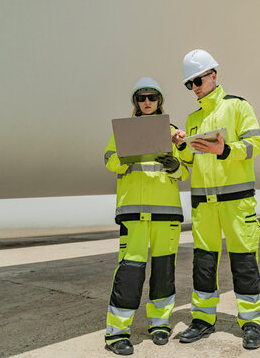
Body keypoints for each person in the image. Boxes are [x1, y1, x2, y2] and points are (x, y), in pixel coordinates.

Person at [171, 49, 260, 350]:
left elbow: (255, 144)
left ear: (213, 74)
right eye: (190, 84)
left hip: (237, 203)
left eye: (198, 80)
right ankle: (202, 320)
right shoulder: (193, 118)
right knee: (204, 264)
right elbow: (189, 164)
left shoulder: (238, 106)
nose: (195, 88)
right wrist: (182, 145)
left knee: (244, 262)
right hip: (204, 205)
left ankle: (251, 323)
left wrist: (225, 150)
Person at [103, 77, 189, 355]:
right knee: (130, 272)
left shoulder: (173, 132)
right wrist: (128, 157)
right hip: (134, 213)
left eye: (152, 97)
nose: (147, 101)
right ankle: (117, 333)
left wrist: (176, 163)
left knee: (164, 272)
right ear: (136, 103)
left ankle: (160, 325)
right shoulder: (123, 132)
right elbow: (109, 161)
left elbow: (186, 172)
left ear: (159, 100)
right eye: (142, 98)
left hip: (166, 213)